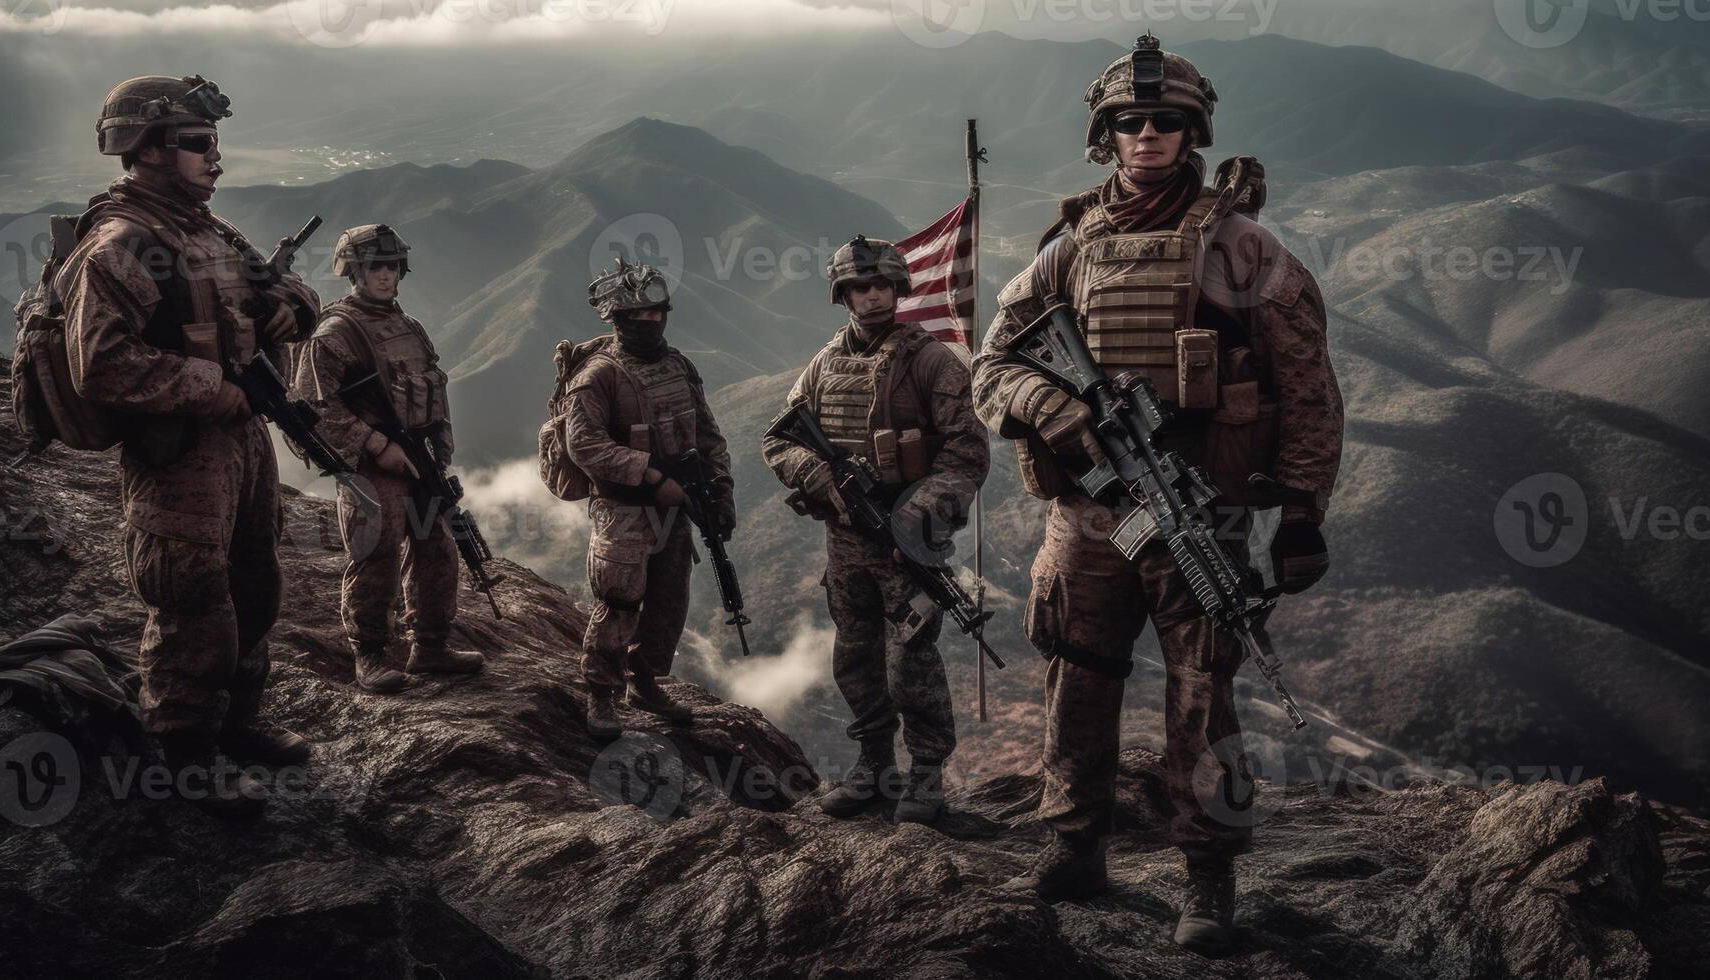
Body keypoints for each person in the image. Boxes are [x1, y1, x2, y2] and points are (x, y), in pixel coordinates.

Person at [969, 35, 1344, 951]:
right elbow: (990, 369)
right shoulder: (1067, 253)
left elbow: (1307, 385)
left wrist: (1301, 513)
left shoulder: (1242, 247)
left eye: (1166, 122)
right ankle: (1073, 843)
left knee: (1202, 690)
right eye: (1129, 122)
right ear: (1106, 135)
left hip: (1198, 506)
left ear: (1194, 132)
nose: (1147, 135)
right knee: (1078, 677)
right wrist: (1055, 412)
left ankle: (1207, 875)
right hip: (1089, 512)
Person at [62, 75, 323, 816]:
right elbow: (101, 364)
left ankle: (237, 724)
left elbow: (295, 303)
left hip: (241, 440)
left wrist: (279, 307)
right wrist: (212, 389)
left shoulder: (207, 230)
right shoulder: (123, 243)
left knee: (255, 582)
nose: (218, 158)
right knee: (190, 598)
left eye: (215, 143)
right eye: (200, 143)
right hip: (181, 453)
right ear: (146, 148)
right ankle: (184, 756)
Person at [761, 236, 989, 825]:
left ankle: (927, 776)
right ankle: (874, 768)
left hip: (909, 540)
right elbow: (777, 439)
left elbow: (967, 453)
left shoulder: (931, 361)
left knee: (911, 661)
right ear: (844, 295)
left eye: (883, 286)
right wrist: (818, 475)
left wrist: (921, 510)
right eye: (860, 288)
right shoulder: (826, 362)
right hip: (845, 540)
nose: (872, 297)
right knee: (856, 657)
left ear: (899, 289)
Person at [294, 224, 484, 695]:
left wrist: (440, 445)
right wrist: (378, 446)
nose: (384, 275)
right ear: (353, 272)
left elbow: (432, 389)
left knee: (437, 547)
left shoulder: (408, 327)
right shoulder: (336, 333)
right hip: (372, 467)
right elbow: (314, 409)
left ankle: (431, 645)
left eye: (391, 266)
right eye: (373, 267)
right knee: (374, 552)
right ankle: (371, 653)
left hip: (420, 458)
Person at [559, 259, 735, 740]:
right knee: (619, 601)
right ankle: (601, 692)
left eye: (657, 313)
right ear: (617, 320)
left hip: (676, 506)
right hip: (623, 510)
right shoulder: (598, 376)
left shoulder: (678, 366)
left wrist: (721, 491)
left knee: (668, 601)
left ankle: (646, 682)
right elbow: (585, 445)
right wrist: (652, 477)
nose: (650, 322)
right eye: (637, 316)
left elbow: (707, 432)